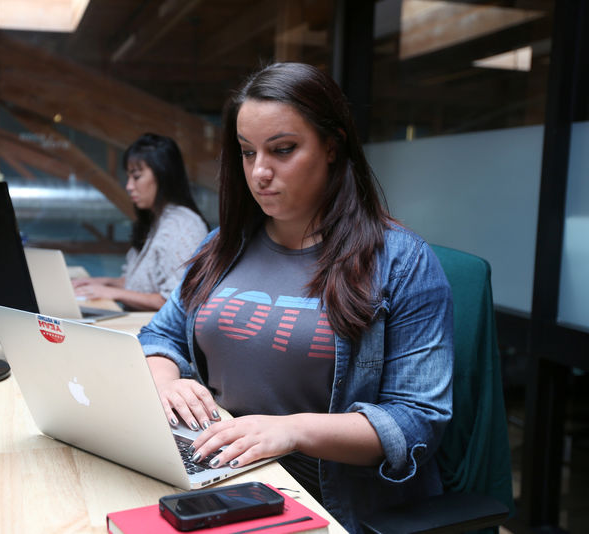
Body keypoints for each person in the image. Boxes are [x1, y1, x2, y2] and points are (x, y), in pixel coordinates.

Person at [137, 63, 454, 533]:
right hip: (217, 474)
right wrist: (166, 382)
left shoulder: (402, 262)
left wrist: (291, 431)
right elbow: (160, 334)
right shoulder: (222, 244)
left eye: (282, 150)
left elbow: (417, 421)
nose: (260, 172)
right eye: (247, 153)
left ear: (332, 145)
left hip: (326, 500)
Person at [72, 133, 208, 311]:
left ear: (163, 175)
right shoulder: (158, 219)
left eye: (136, 176)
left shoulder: (181, 225)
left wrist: (114, 293)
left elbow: (176, 301)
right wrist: (103, 283)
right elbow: (142, 284)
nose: (129, 186)